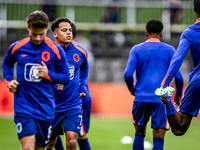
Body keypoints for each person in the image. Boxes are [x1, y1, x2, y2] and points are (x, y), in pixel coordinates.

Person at [2, 10, 70, 150]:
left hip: (45, 109)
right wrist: (9, 81)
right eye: (34, 34)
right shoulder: (17, 47)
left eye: (41, 34)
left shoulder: (56, 50)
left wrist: (48, 75)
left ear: (46, 28)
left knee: (40, 148)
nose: (38, 38)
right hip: (24, 106)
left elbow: (65, 78)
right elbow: (7, 63)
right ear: (28, 28)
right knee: (27, 146)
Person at [124, 19, 183, 150]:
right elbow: (178, 77)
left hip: (141, 98)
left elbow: (128, 74)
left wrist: (132, 90)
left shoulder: (136, 49)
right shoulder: (169, 50)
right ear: (161, 34)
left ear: (146, 33)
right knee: (159, 137)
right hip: (161, 99)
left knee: (139, 134)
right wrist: (178, 97)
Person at [158, 0, 200, 136]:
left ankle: (167, 99)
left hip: (198, 81)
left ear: (195, 10)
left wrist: (166, 81)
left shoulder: (189, 33)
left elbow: (177, 59)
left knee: (179, 127)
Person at [46, 17, 89, 150]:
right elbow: (38, 77)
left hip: (73, 105)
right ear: (55, 34)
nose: (69, 33)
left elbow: (84, 68)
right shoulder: (47, 52)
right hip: (52, 106)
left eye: (70, 30)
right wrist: (53, 85)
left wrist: (83, 85)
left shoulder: (80, 52)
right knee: (49, 145)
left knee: (71, 142)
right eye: (64, 30)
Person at [71, 21, 92, 150]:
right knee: (51, 137)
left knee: (80, 136)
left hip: (78, 100)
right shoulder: (53, 51)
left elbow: (84, 72)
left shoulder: (79, 52)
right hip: (58, 99)